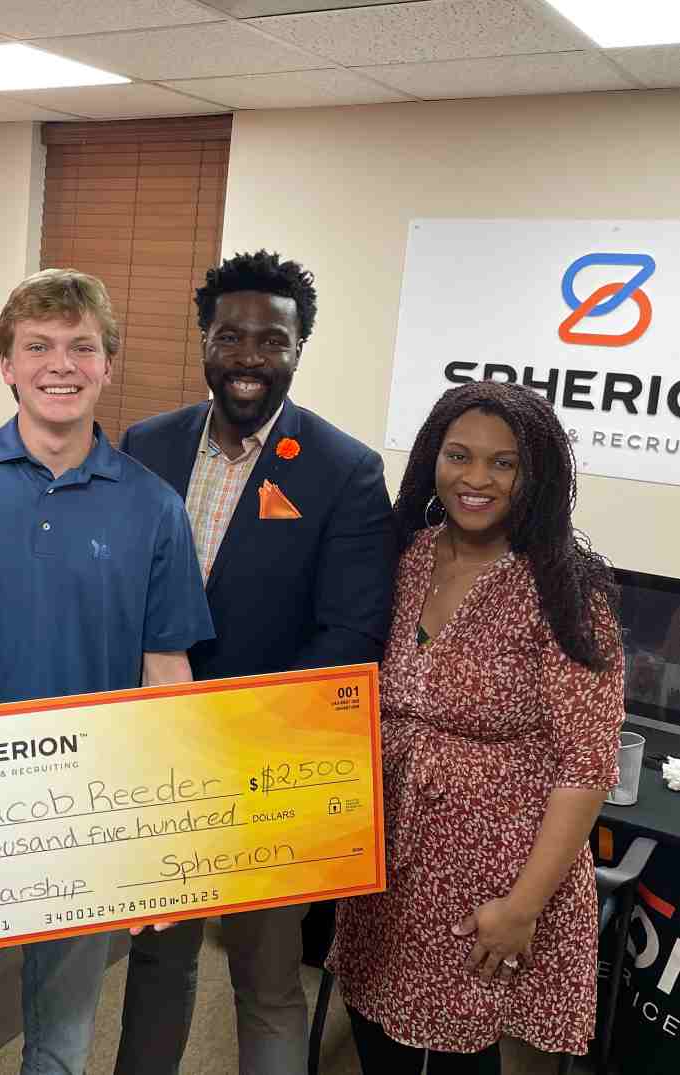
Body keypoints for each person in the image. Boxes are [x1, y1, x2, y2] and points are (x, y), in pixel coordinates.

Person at [0, 268, 214, 1075]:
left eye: (81, 347)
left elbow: (165, 666)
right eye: (36, 346)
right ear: (6, 364)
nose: (59, 364)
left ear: (108, 363)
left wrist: (161, 824)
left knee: (62, 1042)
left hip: (86, 806)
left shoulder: (152, 506)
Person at [115, 249, 398, 1075]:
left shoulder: (344, 470)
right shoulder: (147, 443)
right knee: (157, 963)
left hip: (271, 769)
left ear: (298, 349)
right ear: (203, 340)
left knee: (267, 979)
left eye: (270, 340)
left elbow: (348, 634)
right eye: (229, 335)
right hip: (152, 762)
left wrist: (235, 745)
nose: (247, 357)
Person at [327, 380, 625, 1072]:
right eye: (459, 455)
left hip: (494, 883)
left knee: (463, 1060)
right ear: (433, 457)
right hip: (385, 870)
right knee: (377, 1040)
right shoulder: (401, 556)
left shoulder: (564, 589)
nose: (476, 479)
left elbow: (585, 767)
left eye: (502, 463)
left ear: (534, 475)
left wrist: (521, 907)